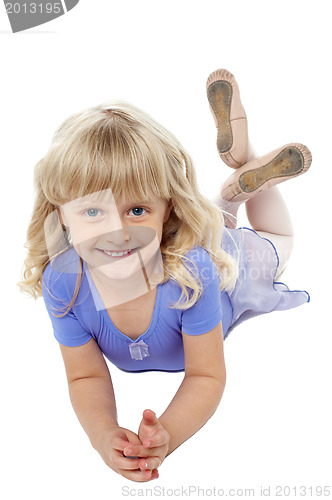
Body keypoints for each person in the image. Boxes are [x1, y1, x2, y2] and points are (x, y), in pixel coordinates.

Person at [18, 69, 310, 482]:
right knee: (217, 217)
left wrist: (168, 435)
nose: (116, 232)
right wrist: (104, 437)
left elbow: (206, 374)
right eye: (92, 210)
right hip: (181, 240)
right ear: (60, 213)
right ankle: (234, 187)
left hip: (227, 263)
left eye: (136, 210)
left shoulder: (194, 272)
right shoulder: (64, 283)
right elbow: (84, 374)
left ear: (167, 209)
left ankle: (247, 160)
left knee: (277, 238)